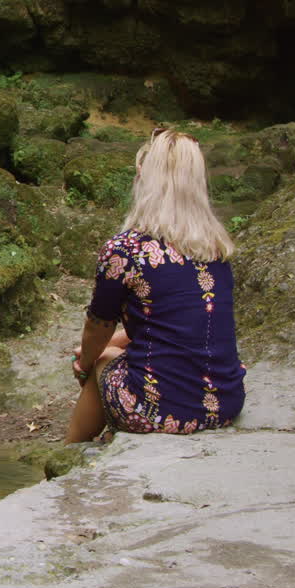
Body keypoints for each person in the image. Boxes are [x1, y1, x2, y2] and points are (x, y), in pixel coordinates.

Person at [64, 128, 246, 443]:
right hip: (225, 406)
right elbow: (173, 325)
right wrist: (117, 343)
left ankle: (69, 450)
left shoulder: (126, 249)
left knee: (104, 361)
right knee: (114, 353)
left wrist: (86, 361)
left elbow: (98, 328)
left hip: (163, 412)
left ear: (144, 180)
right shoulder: (216, 248)